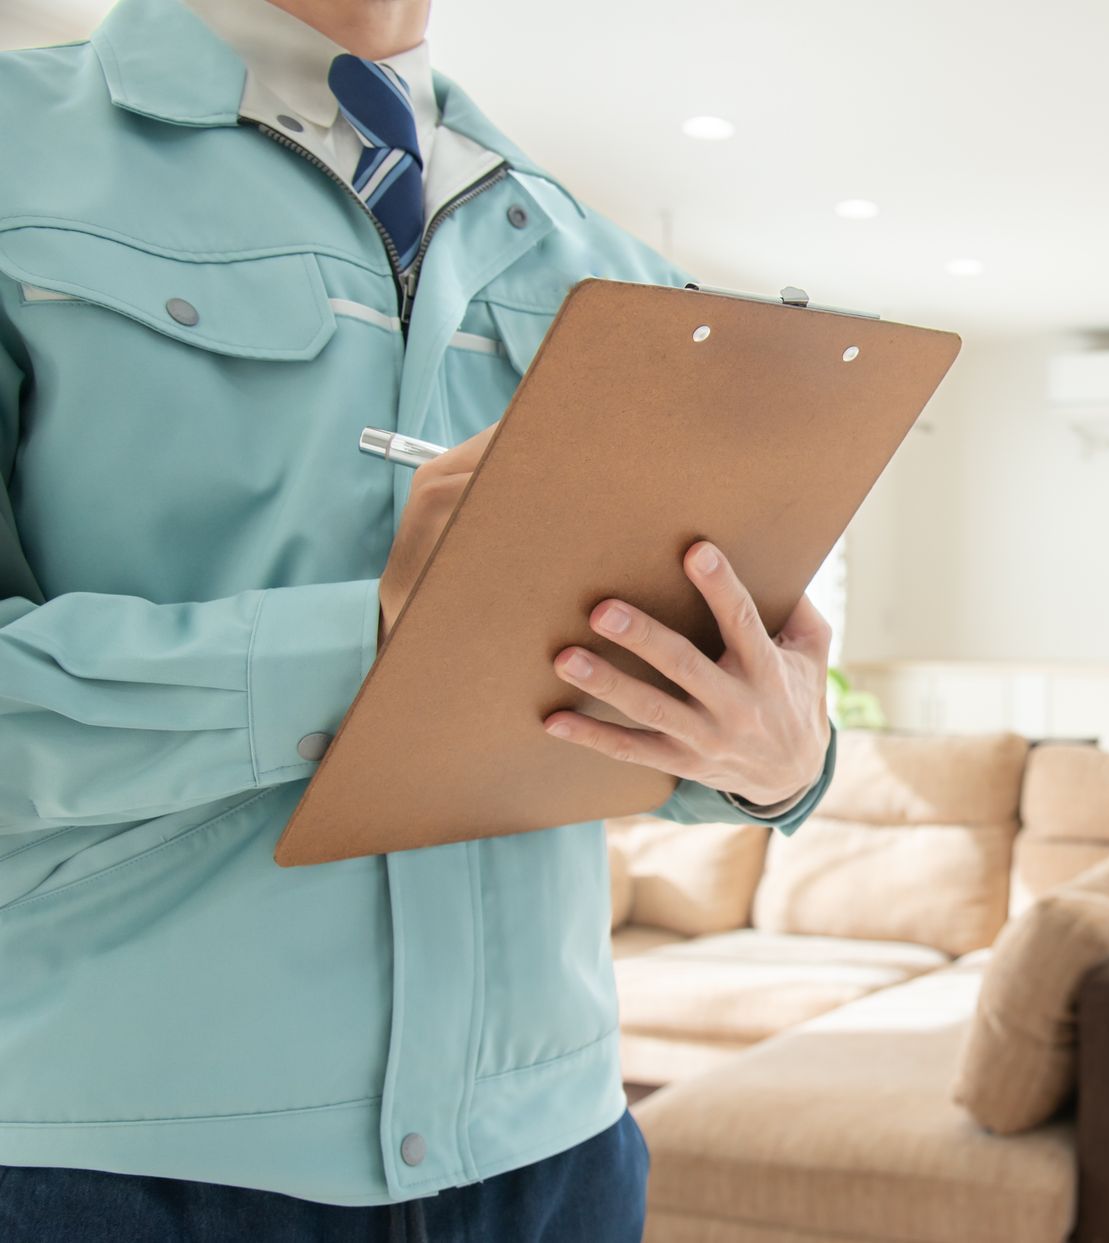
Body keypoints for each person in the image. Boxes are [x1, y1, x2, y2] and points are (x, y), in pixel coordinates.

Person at [0, 0, 837, 1236]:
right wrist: (372, 644)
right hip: (120, 1165)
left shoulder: (613, 266)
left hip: (558, 1155)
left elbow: (652, 689)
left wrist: (776, 762)